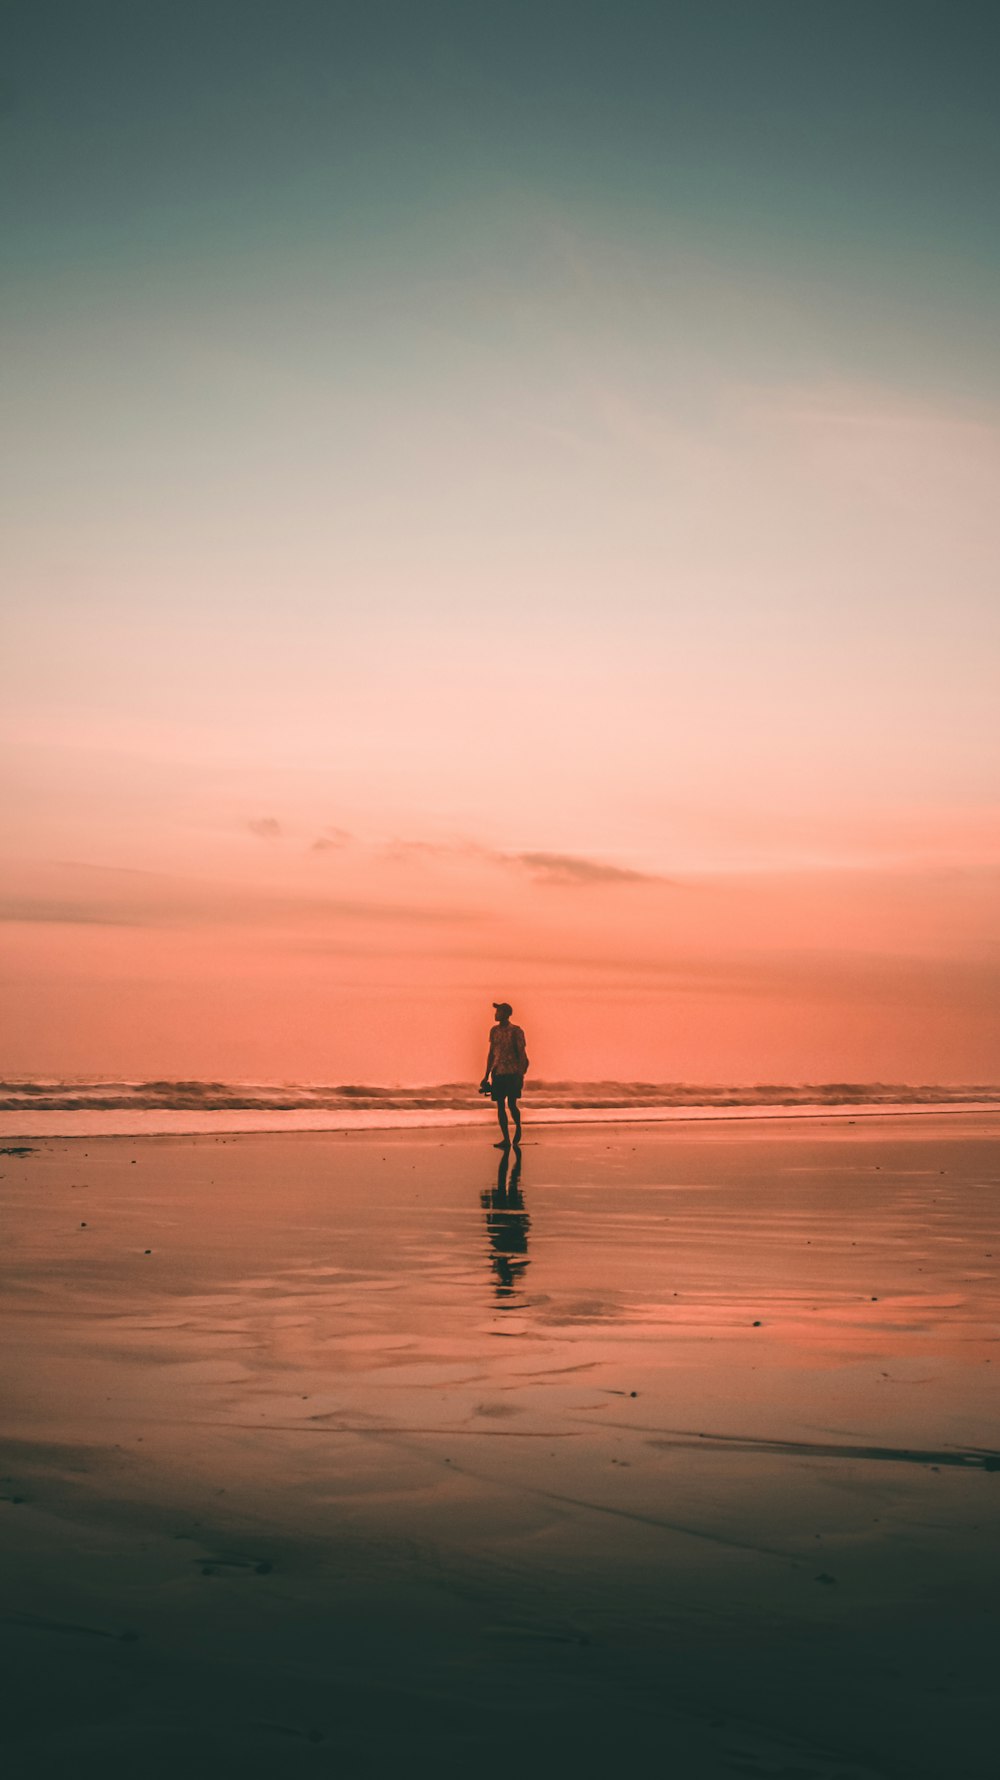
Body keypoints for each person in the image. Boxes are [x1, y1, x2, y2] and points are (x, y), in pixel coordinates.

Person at [480, 1001, 529, 1148]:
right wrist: (486, 1075)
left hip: (513, 1072)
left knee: (512, 1104)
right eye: (496, 1012)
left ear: (506, 1014)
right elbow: (491, 1053)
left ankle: (518, 1127)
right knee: (500, 1105)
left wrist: (521, 1074)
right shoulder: (494, 1031)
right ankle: (506, 1139)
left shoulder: (516, 1031)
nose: (496, 1014)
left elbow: (522, 1054)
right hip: (498, 1072)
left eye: (499, 1011)